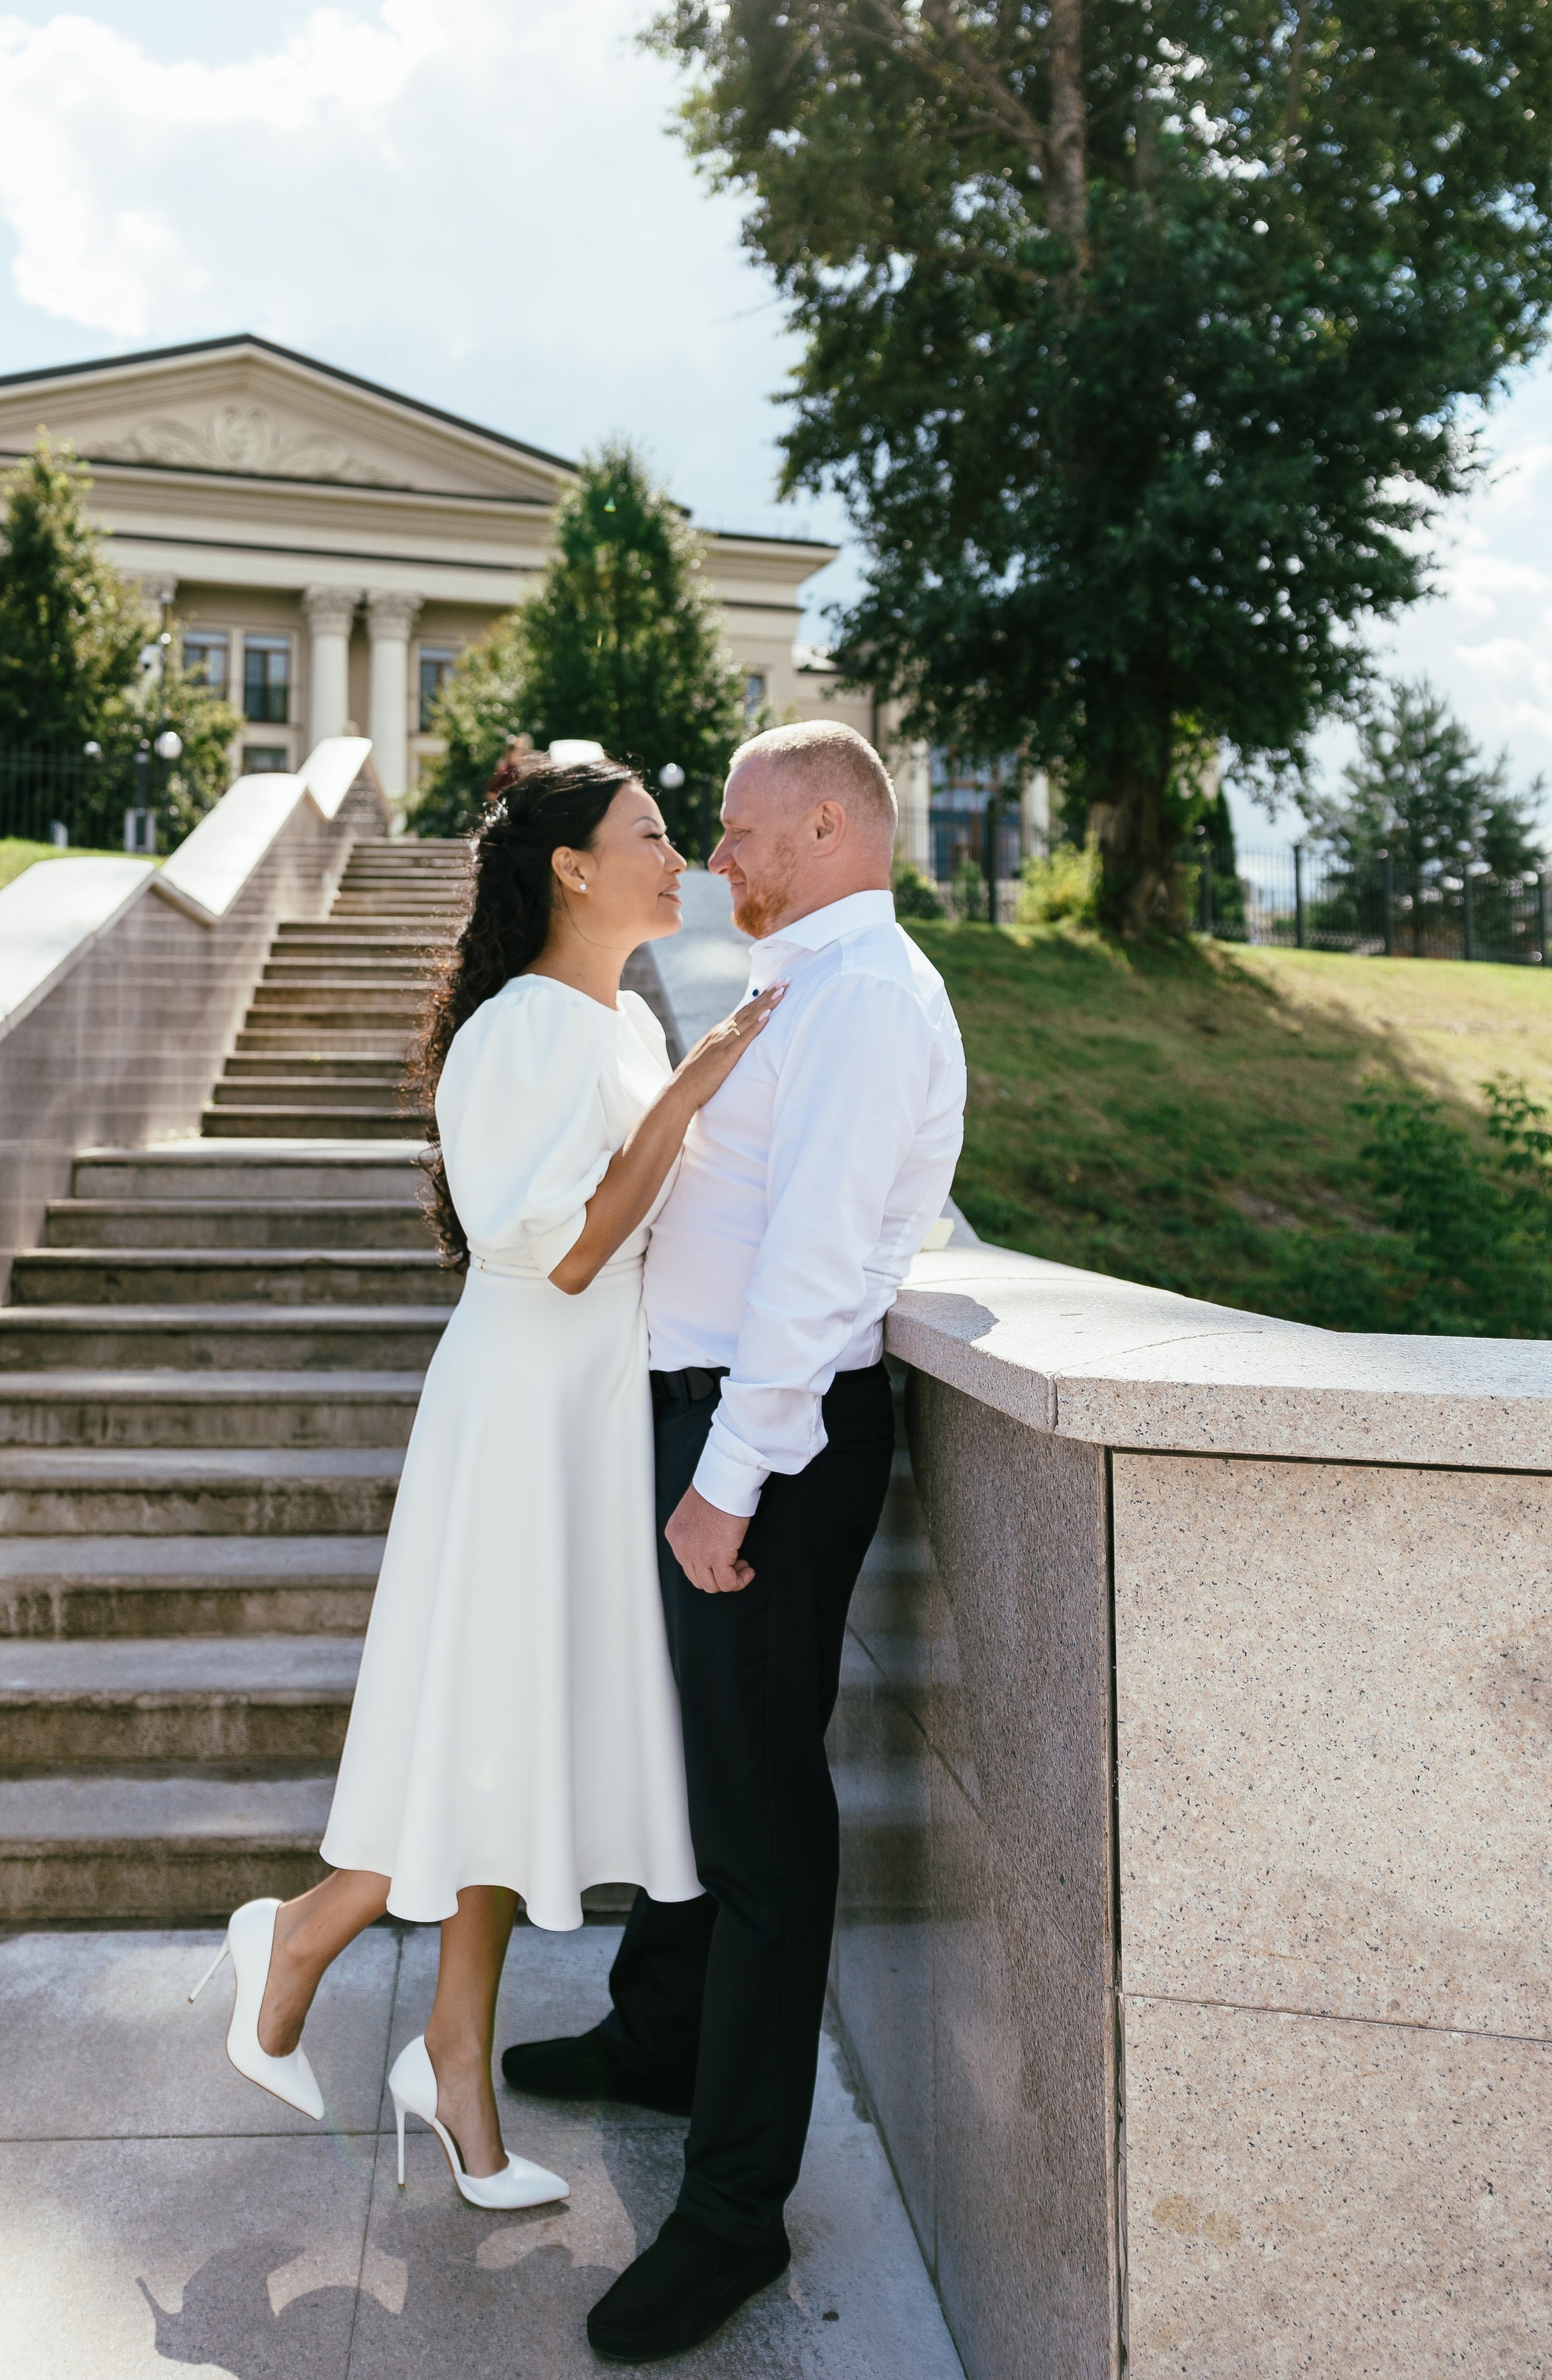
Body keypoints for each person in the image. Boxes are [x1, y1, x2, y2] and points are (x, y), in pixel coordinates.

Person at [191, 759, 782, 2210]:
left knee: (509, 1734)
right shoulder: (521, 1029)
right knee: (483, 1721)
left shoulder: (624, 1017)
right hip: (524, 1399)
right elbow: (565, 1249)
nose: (677, 859)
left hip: (591, 1405)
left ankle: (447, 2052)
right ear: (572, 868)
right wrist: (694, 1091)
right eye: (649, 836)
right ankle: (313, 1939)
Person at [502, 721, 967, 2364]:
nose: (713, 854)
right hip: (702, 1421)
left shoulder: (871, 999)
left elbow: (826, 1272)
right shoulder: (800, 986)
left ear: (829, 822)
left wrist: (729, 1476)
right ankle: (653, 2035)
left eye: (737, 825)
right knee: (700, 1771)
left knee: (764, 1822)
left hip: (760, 1443)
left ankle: (729, 2215)